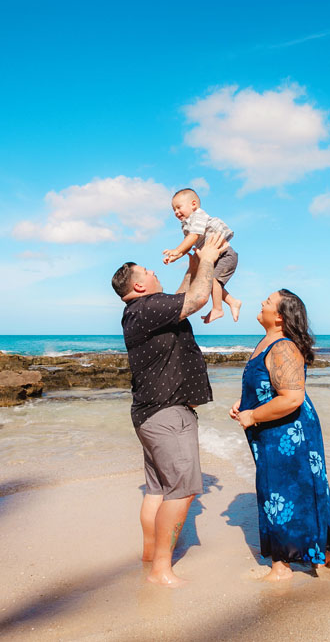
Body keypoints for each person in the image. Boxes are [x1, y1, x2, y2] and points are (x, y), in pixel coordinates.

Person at [111, 233, 229, 587]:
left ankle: (151, 557)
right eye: (147, 271)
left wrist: (192, 266)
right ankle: (161, 570)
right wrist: (207, 260)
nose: (153, 271)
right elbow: (196, 299)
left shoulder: (140, 311)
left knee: (157, 490)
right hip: (167, 412)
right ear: (139, 285)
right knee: (182, 490)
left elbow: (180, 299)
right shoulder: (147, 308)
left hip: (149, 413)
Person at [229, 289, 330, 582]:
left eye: (268, 301)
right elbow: (268, 386)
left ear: (279, 317)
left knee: (283, 490)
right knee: (282, 489)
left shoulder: (283, 347)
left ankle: (282, 567)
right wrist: (245, 403)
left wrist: (253, 416)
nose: (261, 302)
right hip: (274, 431)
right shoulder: (267, 342)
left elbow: (292, 398)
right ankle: (321, 555)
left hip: (291, 434)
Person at [162, 188, 241, 324]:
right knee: (209, 282)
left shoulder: (198, 216)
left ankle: (218, 309)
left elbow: (193, 236)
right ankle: (233, 302)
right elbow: (188, 244)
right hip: (213, 257)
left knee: (213, 280)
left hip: (225, 255)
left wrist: (176, 249)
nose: (176, 212)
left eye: (179, 207)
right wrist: (176, 256)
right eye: (174, 210)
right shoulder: (186, 224)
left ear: (193, 204)